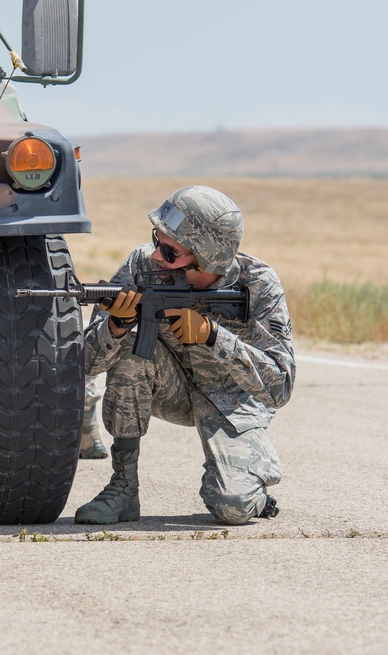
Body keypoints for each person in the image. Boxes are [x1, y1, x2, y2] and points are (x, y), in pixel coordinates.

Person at [75, 185, 295, 526]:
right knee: (134, 351)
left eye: (170, 251)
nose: (157, 257)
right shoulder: (142, 266)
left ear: (208, 257)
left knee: (232, 507)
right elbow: (86, 365)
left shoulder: (258, 284)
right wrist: (116, 326)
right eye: (156, 240)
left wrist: (213, 336)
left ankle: (252, 492)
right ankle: (123, 487)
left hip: (232, 404)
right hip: (170, 388)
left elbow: (280, 386)